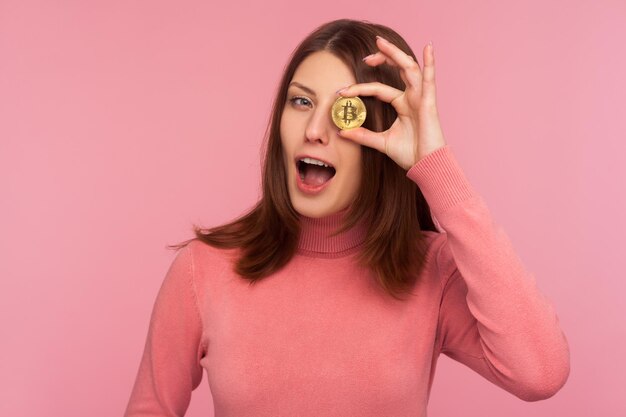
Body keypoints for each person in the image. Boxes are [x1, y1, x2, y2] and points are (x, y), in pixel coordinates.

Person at [123, 18, 570, 417]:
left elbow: (541, 373)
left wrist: (436, 166)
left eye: (343, 112)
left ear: (381, 132)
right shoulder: (204, 270)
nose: (314, 131)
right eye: (300, 102)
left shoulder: (431, 270)